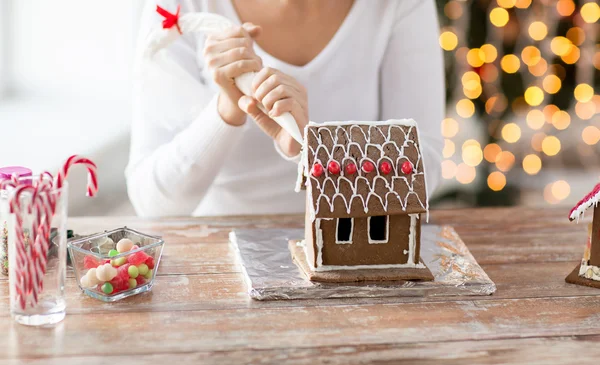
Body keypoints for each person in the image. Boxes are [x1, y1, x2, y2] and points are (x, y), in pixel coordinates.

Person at [127, 0, 444, 217]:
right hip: (215, 266)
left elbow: (423, 173)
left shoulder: (397, 5)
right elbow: (152, 201)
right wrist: (227, 108)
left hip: (350, 257)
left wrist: (312, 150)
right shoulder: (180, 7)